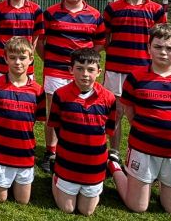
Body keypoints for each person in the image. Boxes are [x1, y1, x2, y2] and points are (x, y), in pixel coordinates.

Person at [107, 24, 171, 218]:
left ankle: (160, 178)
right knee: (137, 206)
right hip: (143, 149)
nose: (163, 52)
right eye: (157, 47)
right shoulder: (136, 77)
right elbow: (129, 110)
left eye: (170, 48)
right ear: (149, 48)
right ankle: (115, 167)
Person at [38, 0, 106, 173]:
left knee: (80, 110)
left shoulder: (94, 15)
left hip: (83, 74)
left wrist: (84, 63)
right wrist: (51, 60)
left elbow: (100, 42)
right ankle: (50, 152)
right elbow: (40, 43)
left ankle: (75, 148)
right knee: (53, 113)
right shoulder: (50, 13)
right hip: (55, 71)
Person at [102, 0, 166, 158]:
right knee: (116, 113)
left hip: (144, 71)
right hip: (115, 69)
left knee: (142, 113)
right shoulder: (113, 8)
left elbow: (161, 40)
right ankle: (114, 152)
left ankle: (141, 152)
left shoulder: (156, 10)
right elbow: (105, 39)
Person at [48, 48, 116, 216]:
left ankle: (112, 168)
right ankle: (56, 173)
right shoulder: (61, 95)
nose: (85, 74)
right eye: (79, 68)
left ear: (99, 72)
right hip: (67, 163)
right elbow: (56, 125)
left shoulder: (108, 98)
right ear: (71, 70)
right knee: (67, 209)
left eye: (91, 69)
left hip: (94, 166)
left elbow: (107, 130)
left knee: (86, 211)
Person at [0, 37, 45, 204]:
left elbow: (36, 119)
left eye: (23, 58)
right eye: (13, 57)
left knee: (22, 201)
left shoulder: (38, 91)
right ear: (5, 58)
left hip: (24, 153)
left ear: (31, 59)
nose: (18, 62)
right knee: (0, 199)